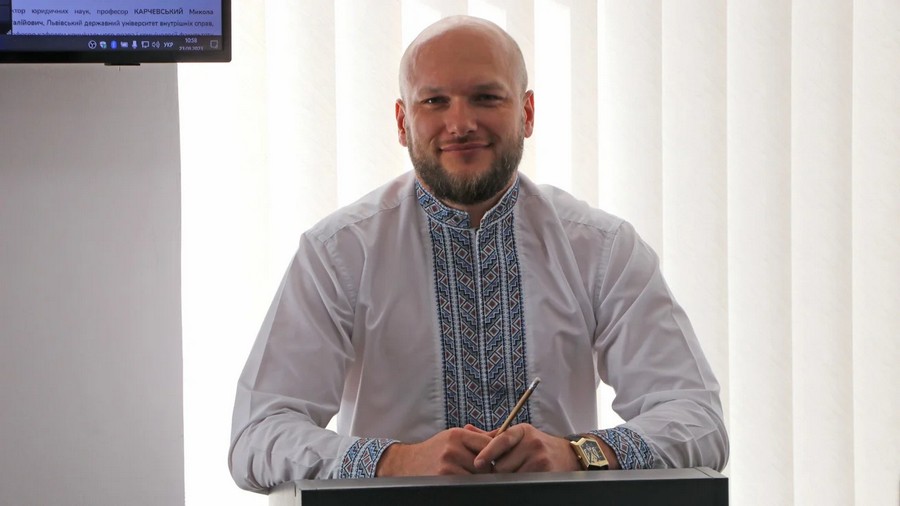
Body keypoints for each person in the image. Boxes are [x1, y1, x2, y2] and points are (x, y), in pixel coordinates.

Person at [229, 15, 728, 492]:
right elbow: (258, 434)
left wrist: (578, 454)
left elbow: (699, 421)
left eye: (486, 97)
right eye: (435, 101)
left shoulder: (601, 248)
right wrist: (397, 462)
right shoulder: (339, 253)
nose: (461, 123)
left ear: (527, 113)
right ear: (402, 122)